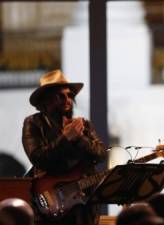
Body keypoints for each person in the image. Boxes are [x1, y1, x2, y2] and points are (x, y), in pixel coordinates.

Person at [22, 70, 107, 225]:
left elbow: (101, 155)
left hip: (84, 203)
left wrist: (80, 138)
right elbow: (38, 158)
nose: (67, 100)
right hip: (51, 202)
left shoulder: (83, 125)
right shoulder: (33, 123)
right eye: (60, 96)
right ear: (45, 101)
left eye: (69, 96)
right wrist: (66, 138)